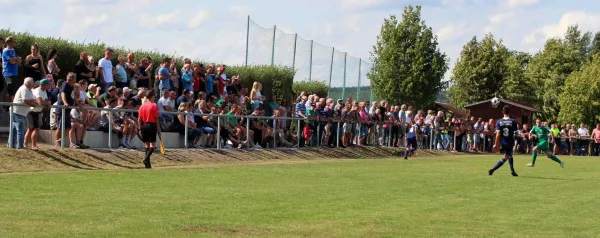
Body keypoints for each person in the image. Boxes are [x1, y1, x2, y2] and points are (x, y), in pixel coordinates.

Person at [488, 106, 518, 176]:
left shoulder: (499, 121)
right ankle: (493, 169)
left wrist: (495, 144)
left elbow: (498, 134)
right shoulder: (513, 121)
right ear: (509, 112)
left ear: (502, 112)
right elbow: (516, 133)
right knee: (506, 157)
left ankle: (512, 171)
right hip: (510, 141)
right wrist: (515, 140)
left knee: (509, 155)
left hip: (503, 142)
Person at [10, 77, 37, 149]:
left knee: (15, 130)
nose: (33, 84)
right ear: (29, 83)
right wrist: (33, 104)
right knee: (20, 130)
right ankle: (20, 146)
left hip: (21, 112)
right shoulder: (24, 89)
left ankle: (11, 145)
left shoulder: (29, 90)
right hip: (17, 112)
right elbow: (25, 100)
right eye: (32, 83)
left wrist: (32, 101)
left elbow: (32, 99)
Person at [25, 79, 52, 150]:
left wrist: (46, 102)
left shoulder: (44, 91)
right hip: (31, 111)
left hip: (37, 111)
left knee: (36, 128)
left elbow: (46, 100)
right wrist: (46, 103)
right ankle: (25, 144)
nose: (49, 86)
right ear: (44, 85)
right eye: (48, 84)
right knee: (31, 129)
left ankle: (33, 145)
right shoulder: (37, 90)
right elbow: (40, 101)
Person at [138, 89, 160, 169]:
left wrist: (140, 127)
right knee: (152, 145)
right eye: (154, 96)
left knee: (146, 144)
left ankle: (147, 164)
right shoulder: (153, 105)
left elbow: (139, 119)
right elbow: (156, 119)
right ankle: (146, 159)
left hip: (144, 125)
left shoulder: (142, 106)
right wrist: (159, 129)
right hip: (151, 125)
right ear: (151, 96)